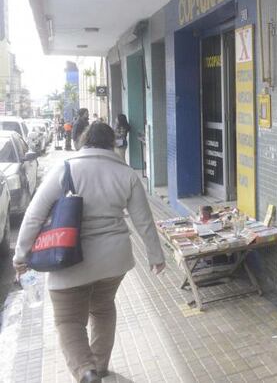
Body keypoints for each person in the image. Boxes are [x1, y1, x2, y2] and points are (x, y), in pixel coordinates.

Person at [13, 122, 165, 383]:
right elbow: (144, 221)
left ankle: (86, 371)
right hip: (114, 261)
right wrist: (156, 256)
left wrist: (20, 256)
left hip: (68, 257)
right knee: (103, 308)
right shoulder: (126, 173)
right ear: (112, 144)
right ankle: (100, 366)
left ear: (83, 142)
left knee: (69, 321)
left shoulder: (66, 169)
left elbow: (34, 216)